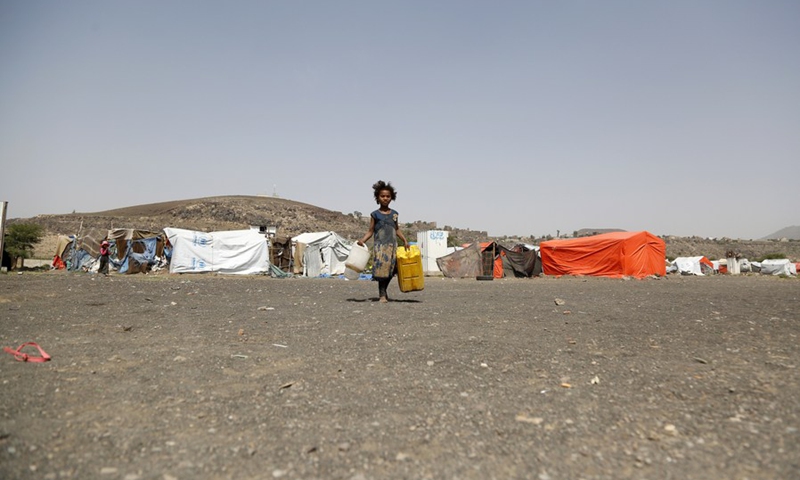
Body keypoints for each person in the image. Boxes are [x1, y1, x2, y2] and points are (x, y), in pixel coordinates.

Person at [358, 180, 409, 303]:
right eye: (382, 196)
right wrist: (362, 240)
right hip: (380, 247)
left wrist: (404, 240)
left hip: (392, 246)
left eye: (388, 196)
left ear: (392, 198)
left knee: (392, 270)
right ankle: (382, 294)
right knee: (381, 271)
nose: (385, 198)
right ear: (377, 197)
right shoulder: (375, 215)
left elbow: (396, 229)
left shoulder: (394, 214)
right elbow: (370, 231)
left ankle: (384, 291)